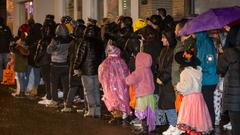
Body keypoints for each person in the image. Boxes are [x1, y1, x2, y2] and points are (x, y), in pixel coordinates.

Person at [175, 50, 213, 134]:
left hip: (190, 99)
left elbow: (186, 86)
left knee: (189, 119)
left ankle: (191, 132)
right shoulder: (198, 72)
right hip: (198, 97)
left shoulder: (185, 72)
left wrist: (177, 86)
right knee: (197, 119)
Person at [74, 24, 104, 118]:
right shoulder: (100, 42)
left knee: (88, 91)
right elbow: (102, 57)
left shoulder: (84, 42)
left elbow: (80, 56)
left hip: (86, 71)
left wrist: (76, 67)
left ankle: (91, 111)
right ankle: (98, 111)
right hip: (97, 70)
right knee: (96, 90)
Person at [98, 40, 130, 124]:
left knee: (112, 100)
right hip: (121, 85)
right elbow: (126, 72)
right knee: (121, 99)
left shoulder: (105, 63)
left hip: (110, 86)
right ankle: (122, 115)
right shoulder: (122, 61)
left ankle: (117, 117)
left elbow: (101, 75)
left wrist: (103, 83)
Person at [126, 52, 157, 134]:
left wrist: (126, 78)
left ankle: (145, 129)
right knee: (150, 112)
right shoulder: (148, 70)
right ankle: (151, 128)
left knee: (141, 112)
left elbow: (130, 80)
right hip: (150, 95)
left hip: (141, 95)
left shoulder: (139, 71)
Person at [217, 25, 240, 135]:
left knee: (236, 125)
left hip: (234, 97)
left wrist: (222, 53)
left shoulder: (230, 52)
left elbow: (220, 69)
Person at [195, 32, 218, 126]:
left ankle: (210, 125)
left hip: (209, 78)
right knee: (206, 103)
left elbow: (210, 61)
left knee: (208, 104)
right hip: (205, 78)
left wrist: (200, 68)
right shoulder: (200, 41)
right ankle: (207, 124)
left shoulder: (206, 43)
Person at [157, 30, 178, 135]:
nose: (162, 40)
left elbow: (172, 67)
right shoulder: (164, 50)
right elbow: (160, 65)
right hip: (163, 83)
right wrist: (158, 76)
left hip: (169, 82)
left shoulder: (174, 50)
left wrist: (163, 78)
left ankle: (174, 125)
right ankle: (172, 125)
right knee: (166, 104)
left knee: (170, 104)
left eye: (164, 37)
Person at [47, 21, 72, 108]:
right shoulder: (70, 39)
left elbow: (49, 50)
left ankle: (55, 101)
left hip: (55, 65)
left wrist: (53, 46)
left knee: (54, 84)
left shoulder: (55, 40)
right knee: (66, 84)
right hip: (66, 64)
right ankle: (66, 101)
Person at [35, 14, 56, 105]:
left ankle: (49, 96)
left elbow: (40, 52)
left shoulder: (44, 40)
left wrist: (36, 60)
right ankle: (49, 95)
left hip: (45, 61)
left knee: (47, 79)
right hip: (53, 60)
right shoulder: (54, 37)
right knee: (51, 79)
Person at [10, 24, 30, 97]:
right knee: (21, 78)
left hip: (21, 63)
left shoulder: (22, 43)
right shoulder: (22, 42)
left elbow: (25, 52)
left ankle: (22, 92)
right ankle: (22, 91)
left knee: (21, 78)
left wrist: (17, 47)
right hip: (21, 63)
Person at [0, 16, 14, 82]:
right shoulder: (7, 28)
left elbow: (11, 38)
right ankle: (4, 78)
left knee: (6, 65)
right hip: (5, 50)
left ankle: (6, 78)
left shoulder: (7, 28)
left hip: (6, 50)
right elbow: (11, 38)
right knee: (6, 65)